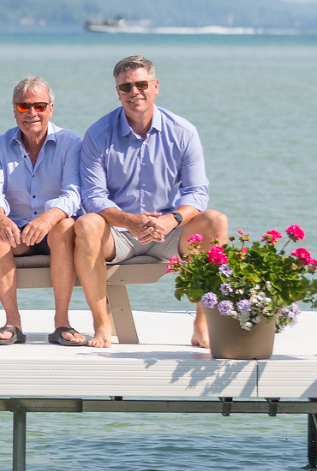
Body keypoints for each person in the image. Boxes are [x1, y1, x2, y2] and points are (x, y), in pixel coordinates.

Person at [76, 55, 228, 348]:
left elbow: (196, 192)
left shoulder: (183, 132)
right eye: (126, 87)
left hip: (166, 231)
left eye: (141, 84)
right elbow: (92, 196)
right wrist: (128, 221)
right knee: (86, 223)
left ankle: (202, 322)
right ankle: (102, 324)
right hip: (118, 234)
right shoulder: (97, 134)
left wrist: (170, 220)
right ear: (117, 92)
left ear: (155, 86)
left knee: (215, 221)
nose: (135, 92)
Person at [0, 77, 85, 346]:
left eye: (39, 106)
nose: (32, 113)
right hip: (17, 235)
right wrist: (0, 217)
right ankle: (12, 323)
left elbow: (74, 193)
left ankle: (62, 324)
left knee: (64, 225)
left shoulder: (70, 142)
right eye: (24, 106)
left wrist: (48, 218)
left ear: (51, 108)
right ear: (14, 110)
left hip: (55, 234)